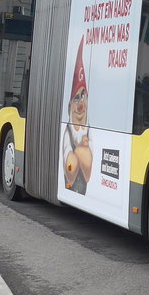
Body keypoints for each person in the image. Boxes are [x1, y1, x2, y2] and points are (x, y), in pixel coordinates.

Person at [62, 37, 92, 194]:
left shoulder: (88, 130)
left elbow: (88, 173)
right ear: (69, 106)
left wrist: (81, 153)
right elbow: (70, 169)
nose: (80, 104)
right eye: (76, 98)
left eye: (83, 97)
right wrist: (81, 151)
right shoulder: (68, 131)